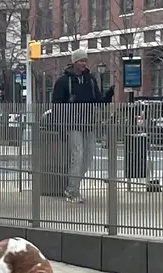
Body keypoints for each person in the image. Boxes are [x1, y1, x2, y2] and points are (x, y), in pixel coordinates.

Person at [52, 49, 114, 204]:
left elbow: (98, 101)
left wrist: (109, 95)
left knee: (87, 158)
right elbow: (57, 106)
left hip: (88, 123)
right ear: (74, 62)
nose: (84, 63)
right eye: (81, 61)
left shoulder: (91, 80)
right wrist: (61, 127)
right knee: (77, 155)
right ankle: (72, 190)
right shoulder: (63, 82)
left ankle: (74, 187)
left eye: (85, 60)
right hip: (72, 124)